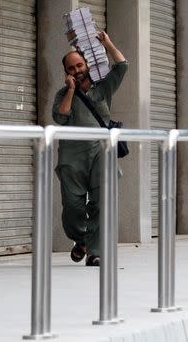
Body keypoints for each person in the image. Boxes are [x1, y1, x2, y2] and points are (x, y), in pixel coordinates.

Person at [52, 31, 127, 266]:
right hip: (72, 158)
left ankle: (95, 251)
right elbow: (60, 117)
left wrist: (107, 43)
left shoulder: (103, 88)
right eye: (71, 68)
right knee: (72, 208)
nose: (77, 71)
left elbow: (122, 65)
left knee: (100, 202)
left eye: (79, 65)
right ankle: (81, 239)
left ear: (87, 64)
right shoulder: (63, 94)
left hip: (100, 154)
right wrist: (72, 90)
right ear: (67, 73)